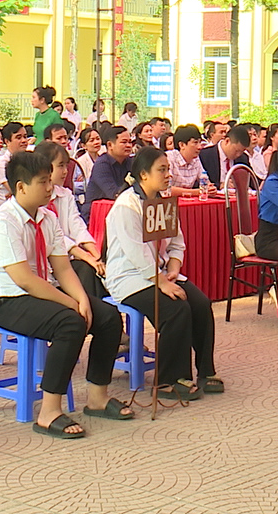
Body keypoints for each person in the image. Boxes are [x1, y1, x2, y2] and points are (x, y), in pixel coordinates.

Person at [0, 151, 131, 438]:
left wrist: (83, 299)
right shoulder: (3, 224)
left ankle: (97, 398)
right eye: (43, 182)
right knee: (70, 322)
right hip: (8, 299)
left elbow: (62, 268)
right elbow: (25, 281)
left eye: (50, 181)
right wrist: (71, 304)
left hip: (44, 291)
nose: (51, 188)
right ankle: (49, 412)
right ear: (21, 187)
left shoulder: (47, 218)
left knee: (108, 316)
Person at [105, 147, 220, 402]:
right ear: (143, 175)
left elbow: (177, 243)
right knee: (176, 309)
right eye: (162, 170)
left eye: (168, 169)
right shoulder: (127, 205)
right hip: (130, 277)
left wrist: (173, 270)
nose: (168, 175)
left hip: (160, 272)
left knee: (200, 303)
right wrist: (160, 282)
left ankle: (205, 371)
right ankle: (169, 380)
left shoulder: (163, 202)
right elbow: (135, 252)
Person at [34, 141, 108, 300]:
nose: (65, 171)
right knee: (85, 269)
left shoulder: (65, 194)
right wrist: (85, 255)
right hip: (47, 262)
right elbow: (56, 237)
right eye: (60, 166)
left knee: (92, 269)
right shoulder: (36, 199)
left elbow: (77, 224)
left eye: (66, 166)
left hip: (68, 258)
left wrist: (94, 253)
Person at [85, 126, 135, 215]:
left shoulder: (130, 162)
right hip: (97, 215)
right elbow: (115, 195)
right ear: (110, 145)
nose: (128, 145)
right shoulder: (102, 165)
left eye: (130, 142)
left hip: (120, 211)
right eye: (124, 142)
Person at [0, 122, 29, 207]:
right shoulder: (2, 163)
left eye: (25, 137)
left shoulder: (28, 159)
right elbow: (16, 191)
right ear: (7, 141)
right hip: (8, 210)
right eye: (18, 137)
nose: (24, 141)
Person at [199, 125, 251, 190]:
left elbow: (250, 181)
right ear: (227, 141)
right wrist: (220, 185)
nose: (238, 154)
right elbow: (200, 182)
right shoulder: (205, 155)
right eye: (236, 150)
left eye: (242, 151)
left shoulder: (243, 158)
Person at [166, 125, 210, 197]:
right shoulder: (169, 158)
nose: (199, 147)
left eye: (200, 142)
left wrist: (210, 188)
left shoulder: (196, 159)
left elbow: (205, 181)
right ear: (182, 145)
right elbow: (166, 189)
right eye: (195, 143)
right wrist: (197, 192)